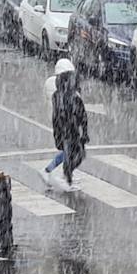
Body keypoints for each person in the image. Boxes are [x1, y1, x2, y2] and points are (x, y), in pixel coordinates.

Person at [40, 59, 88, 191]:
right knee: (72, 152)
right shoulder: (62, 93)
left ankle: (54, 171)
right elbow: (73, 113)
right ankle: (66, 177)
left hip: (67, 128)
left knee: (70, 151)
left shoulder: (63, 92)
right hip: (67, 128)